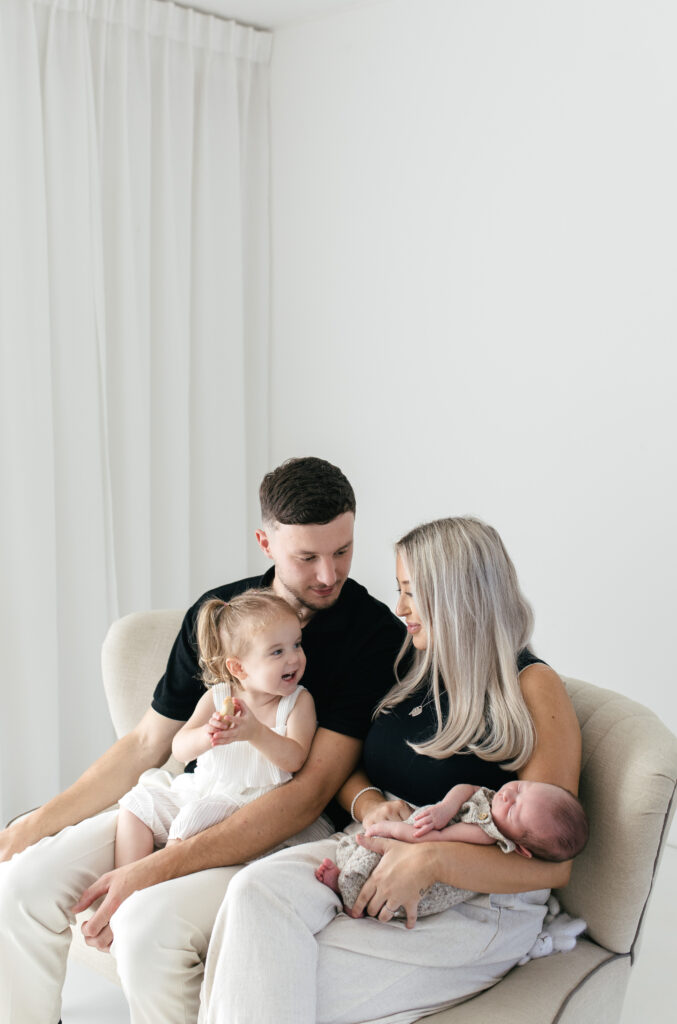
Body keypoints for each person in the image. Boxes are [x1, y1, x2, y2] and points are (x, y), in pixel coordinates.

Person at [0, 457, 404, 1024]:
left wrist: (147, 872)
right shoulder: (219, 615)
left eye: (343, 550)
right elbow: (148, 745)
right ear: (265, 541)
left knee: (148, 929)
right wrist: (34, 825)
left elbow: (307, 794)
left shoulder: (373, 635)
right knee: (21, 883)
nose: (328, 575)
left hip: (277, 822)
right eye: (306, 557)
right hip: (195, 797)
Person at [200, 516, 583, 1024]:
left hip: (479, 900)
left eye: (411, 592)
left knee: (269, 977)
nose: (400, 607)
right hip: (374, 846)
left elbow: (552, 863)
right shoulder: (417, 664)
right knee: (252, 892)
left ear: (456, 596)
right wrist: (372, 805)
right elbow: (354, 769)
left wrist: (432, 863)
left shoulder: (531, 687)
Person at [115, 591, 316, 867]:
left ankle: (157, 882)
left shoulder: (296, 702)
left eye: (297, 644)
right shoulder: (218, 697)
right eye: (277, 652)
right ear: (238, 668)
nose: (294, 658)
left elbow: (295, 759)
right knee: (137, 804)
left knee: (191, 821)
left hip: (250, 805)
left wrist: (256, 733)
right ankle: (127, 881)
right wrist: (206, 735)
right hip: (205, 788)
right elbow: (180, 748)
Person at [317, 780, 589, 918]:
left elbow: (432, 839)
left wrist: (388, 831)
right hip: (421, 835)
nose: (507, 796)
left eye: (515, 808)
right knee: (367, 850)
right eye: (520, 788)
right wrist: (445, 808)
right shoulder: (494, 801)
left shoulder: (485, 833)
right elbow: (466, 788)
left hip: (428, 863)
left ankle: (347, 889)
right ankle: (347, 871)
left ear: (522, 849)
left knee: (385, 874)